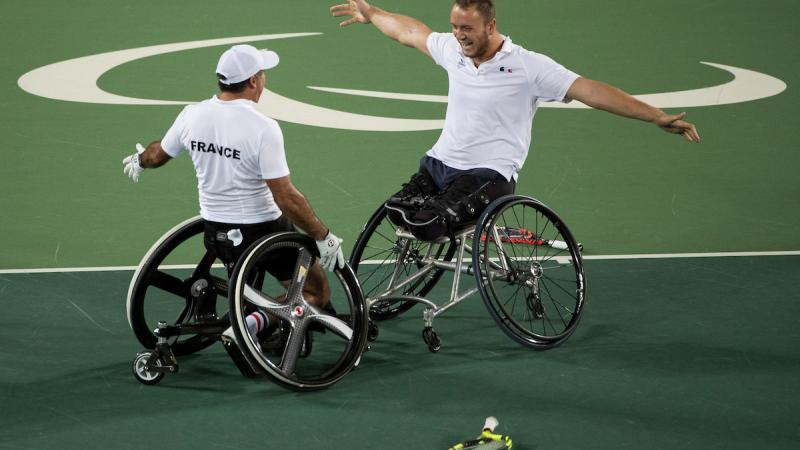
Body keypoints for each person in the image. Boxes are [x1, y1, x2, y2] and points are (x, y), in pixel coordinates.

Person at [330, 0, 700, 240]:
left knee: (427, 225)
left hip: (487, 174)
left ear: (491, 25)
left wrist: (655, 116)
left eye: (467, 29)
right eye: (456, 27)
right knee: (397, 213)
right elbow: (411, 32)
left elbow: (590, 91)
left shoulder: (528, 67)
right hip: (439, 165)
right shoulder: (453, 50)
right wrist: (373, 14)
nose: (459, 36)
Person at [122, 44, 344, 360]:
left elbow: (157, 154)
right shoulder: (263, 128)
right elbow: (287, 198)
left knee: (259, 266)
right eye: (262, 74)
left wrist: (140, 160)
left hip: (216, 235)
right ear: (253, 81)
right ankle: (248, 326)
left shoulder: (192, 115)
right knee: (315, 291)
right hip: (265, 235)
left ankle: (254, 318)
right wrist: (323, 236)